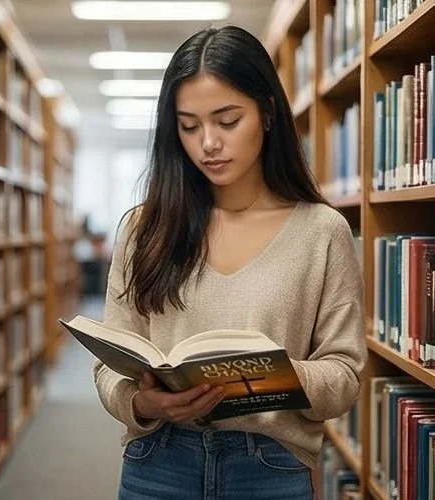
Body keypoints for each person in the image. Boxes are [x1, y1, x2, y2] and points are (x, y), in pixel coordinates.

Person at [93, 25, 367, 499]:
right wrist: (141, 400)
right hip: (157, 460)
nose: (208, 144)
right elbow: (109, 366)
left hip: (270, 467)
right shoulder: (144, 228)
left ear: (266, 113)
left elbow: (344, 376)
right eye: (189, 125)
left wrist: (267, 376)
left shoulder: (321, 231)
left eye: (226, 120)